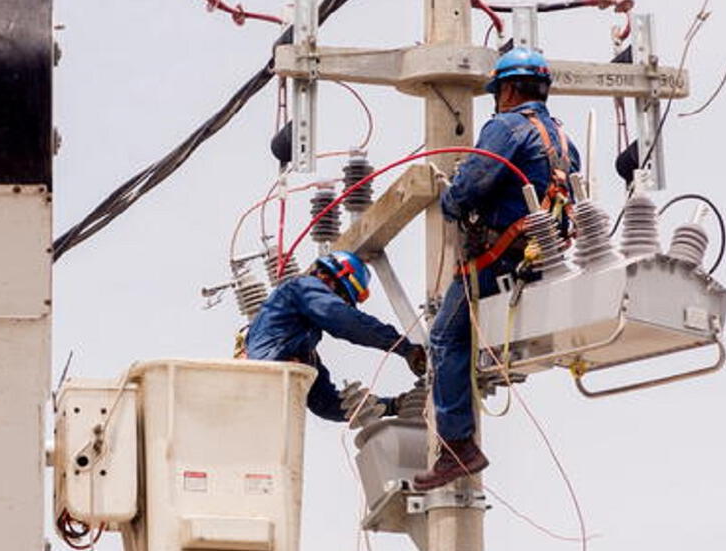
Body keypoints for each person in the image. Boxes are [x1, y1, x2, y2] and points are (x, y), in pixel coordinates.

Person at [419, 48, 581, 490]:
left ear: (507, 89)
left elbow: (470, 186)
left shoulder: (505, 127)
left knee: (445, 335)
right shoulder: (565, 140)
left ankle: (457, 447)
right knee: (481, 339)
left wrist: (450, 199)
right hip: (541, 257)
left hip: (498, 256)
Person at [246, 250, 426, 422]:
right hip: (260, 383)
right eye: (342, 299)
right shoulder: (301, 287)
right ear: (329, 279)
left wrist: (393, 406)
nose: (340, 303)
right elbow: (345, 320)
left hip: (260, 401)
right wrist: (404, 347)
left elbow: (326, 403)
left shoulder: (300, 349)